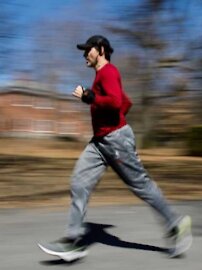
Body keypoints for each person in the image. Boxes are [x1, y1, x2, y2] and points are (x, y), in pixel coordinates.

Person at [38, 35, 192, 261]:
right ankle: (73, 241)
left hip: (115, 141)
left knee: (141, 185)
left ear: (100, 50)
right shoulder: (102, 76)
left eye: (88, 50)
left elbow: (115, 101)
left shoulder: (109, 72)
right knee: (79, 182)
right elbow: (125, 102)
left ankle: (176, 224)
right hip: (100, 143)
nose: (84, 55)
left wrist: (90, 97)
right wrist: (111, 115)